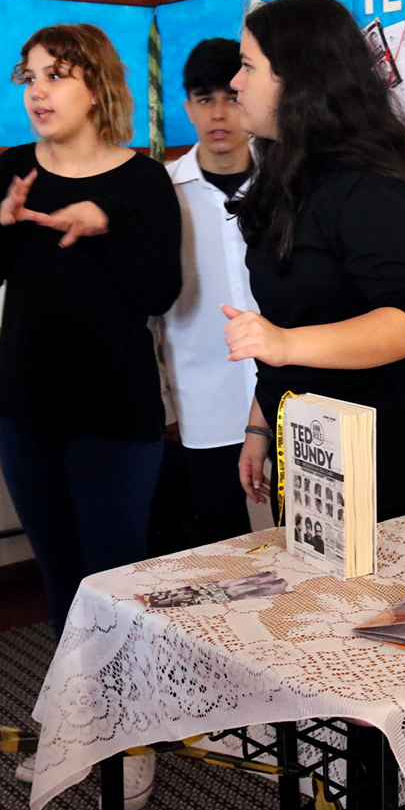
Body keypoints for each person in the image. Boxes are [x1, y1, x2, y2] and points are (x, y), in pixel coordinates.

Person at [0, 23, 180, 803]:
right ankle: (79, 725)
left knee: (114, 581)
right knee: (60, 578)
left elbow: (159, 292)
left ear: (97, 86)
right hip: (26, 411)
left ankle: (132, 734)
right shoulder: (13, 169)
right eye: (30, 76)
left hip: (114, 415)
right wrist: (1, 220)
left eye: (57, 75)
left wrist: (108, 225)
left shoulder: (142, 180)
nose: (38, 91)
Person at [223, 0, 405, 523]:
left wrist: (284, 344)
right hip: (307, 432)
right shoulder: (287, 179)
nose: (235, 83)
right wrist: (260, 424)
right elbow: (292, 319)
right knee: (307, 574)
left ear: (297, 78)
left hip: (385, 437)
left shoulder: (371, 185)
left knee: (369, 580)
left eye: (247, 66)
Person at [156, 38, 257, 545]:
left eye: (231, 98)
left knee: (306, 541)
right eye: (204, 99)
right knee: (222, 546)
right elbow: (151, 314)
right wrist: (167, 407)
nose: (219, 113)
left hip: (289, 395)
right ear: (188, 107)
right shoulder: (161, 192)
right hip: (200, 402)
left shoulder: (287, 183)